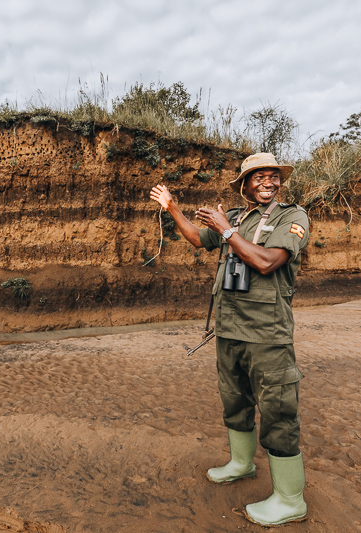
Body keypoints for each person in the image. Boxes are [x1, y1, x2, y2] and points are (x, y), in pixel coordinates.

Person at [149, 152, 310, 526]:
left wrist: (226, 231)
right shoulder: (235, 216)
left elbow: (268, 261)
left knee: (279, 413)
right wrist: (172, 207)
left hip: (268, 335)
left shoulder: (292, 217)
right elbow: (196, 238)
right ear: (244, 184)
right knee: (235, 401)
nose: (268, 182)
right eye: (259, 177)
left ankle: (290, 500)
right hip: (229, 331)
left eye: (274, 176)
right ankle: (241, 464)